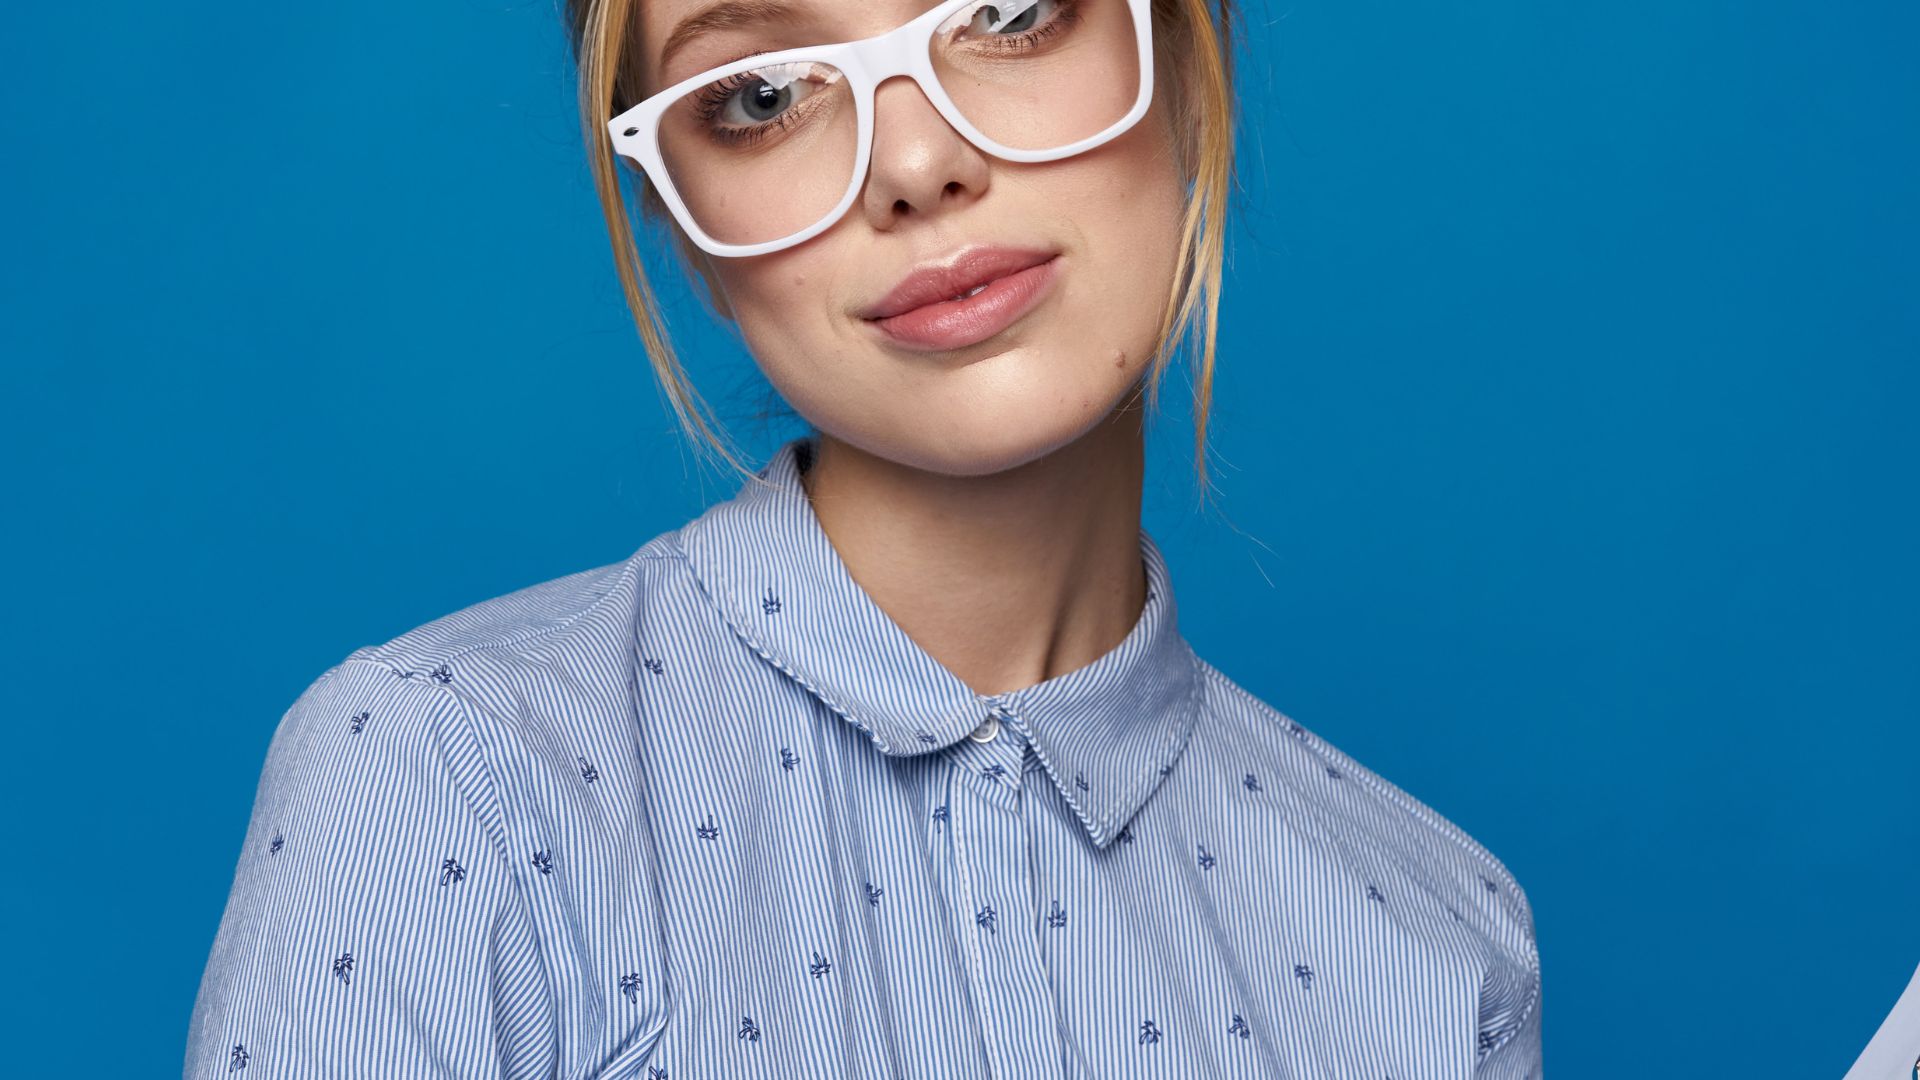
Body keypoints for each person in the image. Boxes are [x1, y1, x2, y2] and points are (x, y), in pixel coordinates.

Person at [183, 0, 1542, 1076]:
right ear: (682, 221)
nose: (916, 163)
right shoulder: (449, 782)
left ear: (1190, 44)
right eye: (761, 98)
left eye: (1011, 12)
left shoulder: (1431, 937)